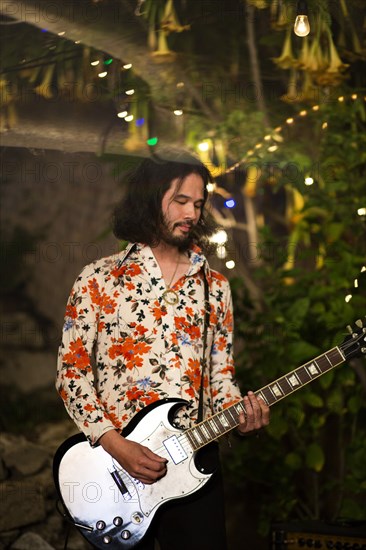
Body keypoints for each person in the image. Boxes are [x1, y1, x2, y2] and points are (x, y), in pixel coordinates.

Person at [56, 148, 270, 550]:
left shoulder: (215, 287)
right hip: (117, 475)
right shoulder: (99, 280)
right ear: (150, 199)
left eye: (198, 204)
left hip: (196, 465)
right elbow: (71, 374)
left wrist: (241, 416)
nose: (191, 214)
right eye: (180, 201)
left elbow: (221, 376)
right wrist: (117, 446)